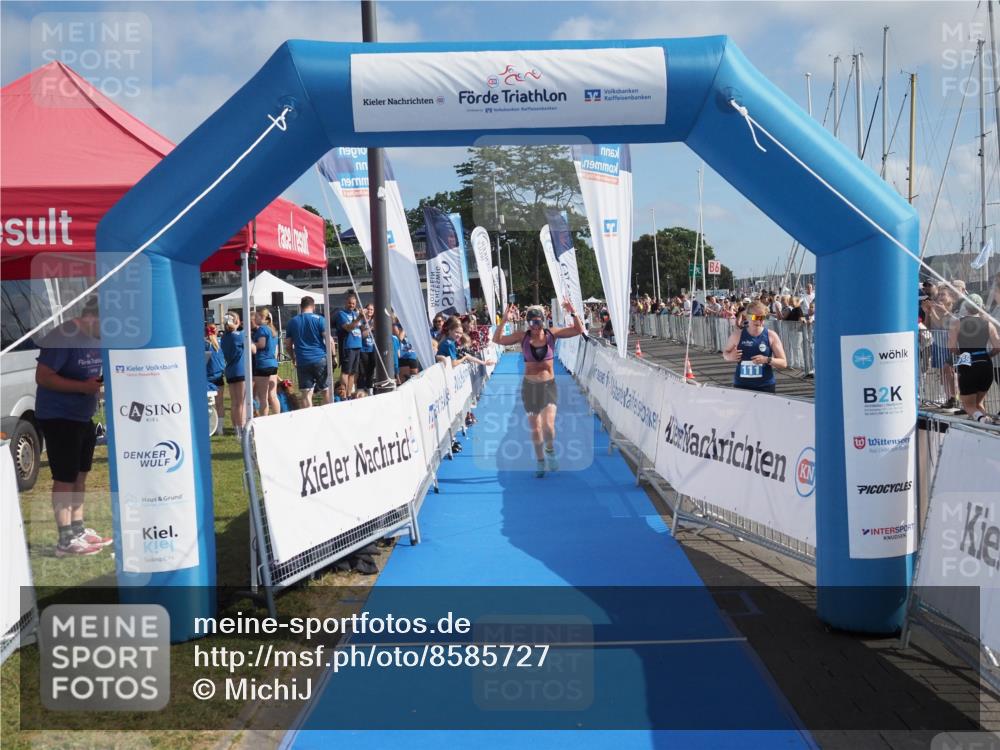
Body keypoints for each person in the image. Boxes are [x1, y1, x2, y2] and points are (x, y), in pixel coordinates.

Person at [34, 297, 112, 557]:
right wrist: (83, 387)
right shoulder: (64, 335)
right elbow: (43, 377)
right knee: (65, 479)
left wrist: (96, 386)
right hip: (59, 417)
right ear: (92, 317)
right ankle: (65, 540)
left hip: (82, 415)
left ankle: (77, 530)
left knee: (80, 475)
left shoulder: (96, 338)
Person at [492, 300, 585, 478]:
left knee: (548, 426)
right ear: (528, 323)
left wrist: (573, 312)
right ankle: (540, 460)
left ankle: (550, 451)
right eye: (532, 322)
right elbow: (497, 340)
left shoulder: (552, 334)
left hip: (549, 385)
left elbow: (578, 330)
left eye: (538, 321)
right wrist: (503, 320)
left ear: (543, 321)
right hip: (530, 387)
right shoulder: (523, 337)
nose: (535, 325)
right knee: (535, 429)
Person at [948, 293, 1000, 423]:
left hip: (967, 364)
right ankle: (986, 426)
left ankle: (982, 420)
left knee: (968, 405)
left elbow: (952, 347)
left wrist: (961, 354)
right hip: (985, 364)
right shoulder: (988, 324)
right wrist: (988, 355)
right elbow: (997, 346)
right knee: (979, 403)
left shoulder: (957, 323)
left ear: (965, 306)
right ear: (981, 307)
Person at [722, 301, 788, 393]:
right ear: (747, 317)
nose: (759, 321)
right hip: (742, 385)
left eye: (762, 317)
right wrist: (730, 356)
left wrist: (767, 360)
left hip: (765, 385)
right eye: (755, 317)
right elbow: (725, 353)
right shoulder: (737, 335)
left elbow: (784, 363)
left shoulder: (771, 335)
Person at [285, 296, 333, 408]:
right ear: (314, 306)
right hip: (320, 358)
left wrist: (293, 358)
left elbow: (287, 345)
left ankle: (309, 419)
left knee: (306, 394)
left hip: (302, 361)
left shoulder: (292, 322)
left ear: (301, 307)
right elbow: (329, 340)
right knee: (326, 390)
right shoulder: (320, 319)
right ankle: (327, 416)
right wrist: (333, 356)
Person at [220, 312, 247, 436]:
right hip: (240, 370)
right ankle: (242, 429)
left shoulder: (224, 337)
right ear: (236, 321)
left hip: (230, 370)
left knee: (234, 402)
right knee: (242, 402)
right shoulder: (240, 335)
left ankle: (237, 429)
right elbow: (252, 347)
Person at [252, 308, 281, 416]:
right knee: (273, 395)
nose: (255, 318)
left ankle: (264, 419)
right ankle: (278, 417)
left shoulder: (262, 329)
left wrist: (252, 343)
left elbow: (262, 344)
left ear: (263, 318)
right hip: (273, 364)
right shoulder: (273, 330)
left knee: (263, 397)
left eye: (257, 316)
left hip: (263, 364)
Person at [335, 292, 364, 395]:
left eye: (353, 303)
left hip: (357, 346)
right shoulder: (341, 314)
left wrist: (368, 318)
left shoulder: (356, 314)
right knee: (346, 372)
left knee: (353, 373)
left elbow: (362, 329)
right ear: (345, 303)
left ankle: (349, 394)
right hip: (348, 346)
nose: (351, 305)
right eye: (349, 303)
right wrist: (359, 318)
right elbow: (348, 328)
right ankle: (343, 395)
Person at [205, 324, 226, 434]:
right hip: (219, 376)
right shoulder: (220, 343)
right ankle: (220, 429)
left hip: (207, 377)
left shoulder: (204, 344)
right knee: (220, 403)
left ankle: (210, 426)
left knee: (208, 404)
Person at [358, 303, 378, 393]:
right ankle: (361, 390)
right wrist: (372, 327)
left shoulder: (375, 320)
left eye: (372, 310)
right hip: (363, 349)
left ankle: (370, 390)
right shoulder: (361, 321)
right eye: (368, 309)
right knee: (362, 371)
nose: (370, 311)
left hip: (372, 349)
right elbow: (363, 335)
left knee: (371, 371)